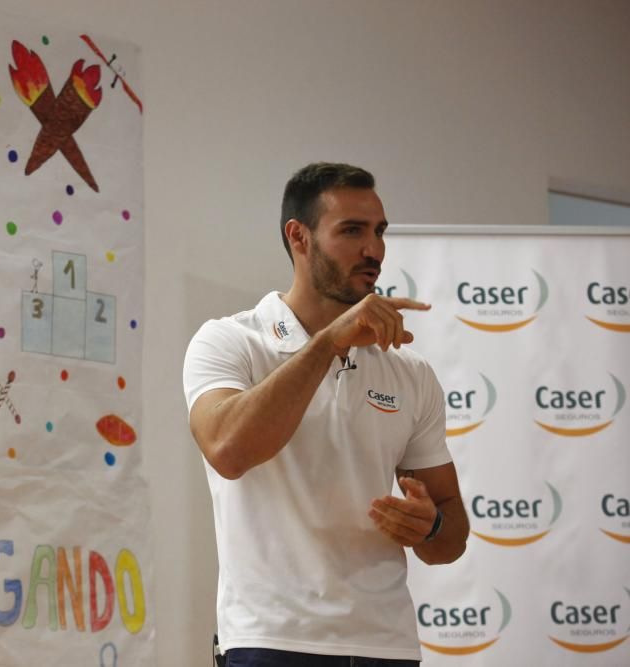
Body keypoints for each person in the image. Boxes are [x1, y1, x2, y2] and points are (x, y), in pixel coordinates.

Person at [182, 163, 468, 666]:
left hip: (386, 645)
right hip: (270, 642)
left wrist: (430, 525)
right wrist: (330, 342)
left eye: (379, 231)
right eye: (352, 231)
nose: (374, 249)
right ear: (300, 237)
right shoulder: (229, 341)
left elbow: (452, 538)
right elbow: (227, 449)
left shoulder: (412, 372)